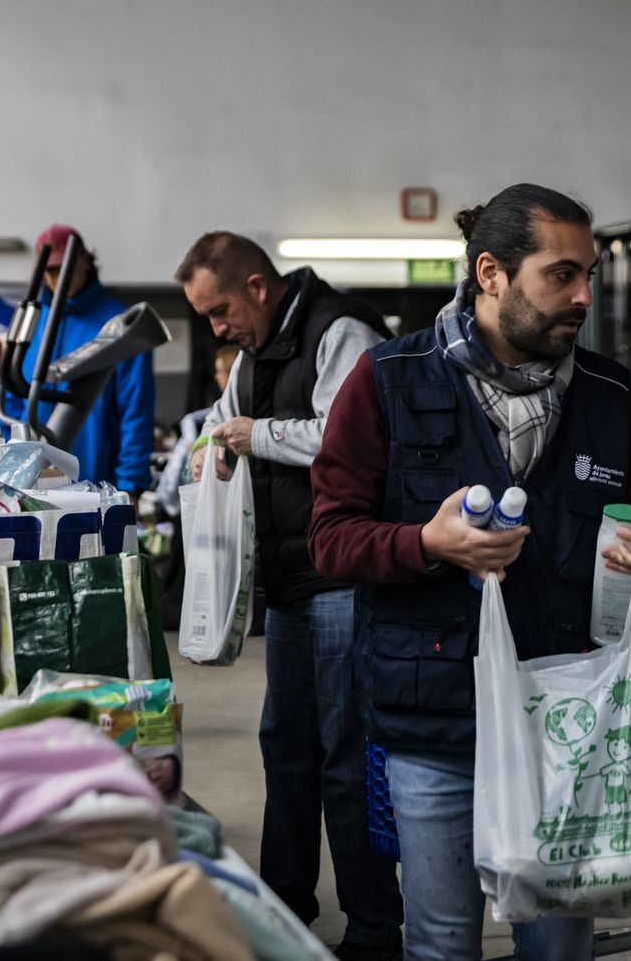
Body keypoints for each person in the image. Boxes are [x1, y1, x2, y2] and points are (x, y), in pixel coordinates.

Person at [308, 183, 631, 961]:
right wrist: (427, 544)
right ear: (491, 274)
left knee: (558, 946)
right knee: (444, 941)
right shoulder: (389, 380)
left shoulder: (611, 397)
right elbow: (330, 539)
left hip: (571, 724)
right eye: (561, 275)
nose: (583, 295)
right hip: (437, 715)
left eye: (589, 275)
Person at [174, 232, 403, 961]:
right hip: (290, 580)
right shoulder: (253, 356)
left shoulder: (342, 330)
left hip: (341, 575)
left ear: (257, 287)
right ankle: (282, 908)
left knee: (346, 755)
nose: (216, 329)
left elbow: (349, 438)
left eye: (218, 312)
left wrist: (251, 434)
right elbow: (220, 427)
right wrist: (213, 445)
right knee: (286, 748)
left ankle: (373, 927)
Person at [0, 224, 156, 497]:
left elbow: (136, 408)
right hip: (29, 481)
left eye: (66, 267)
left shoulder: (117, 323)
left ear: (85, 260)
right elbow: (10, 402)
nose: (59, 278)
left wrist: (130, 484)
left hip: (96, 479)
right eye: (51, 270)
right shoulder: (32, 324)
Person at [158, 343, 240, 517]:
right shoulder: (219, 408)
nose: (217, 377)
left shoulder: (238, 411)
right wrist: (199, 445)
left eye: (220, 371)